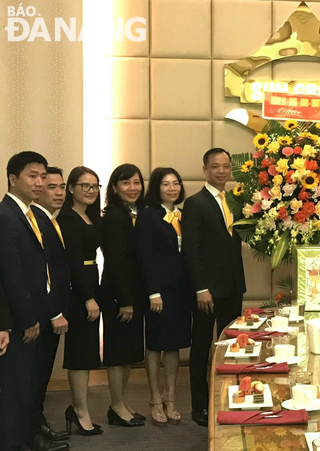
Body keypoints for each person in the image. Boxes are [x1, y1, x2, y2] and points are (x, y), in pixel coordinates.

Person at [0, 152, 68, 451]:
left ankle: (25, 437)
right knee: (15, 391)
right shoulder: (6, 216)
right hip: (17, 320)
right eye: (32, 176)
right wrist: (27, 319)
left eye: (43, 176)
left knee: (27, 388)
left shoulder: (28, 213)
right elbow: (11, 275)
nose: (40, 182)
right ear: (13, 179)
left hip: (33, 314)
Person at [182, 148, 246, 427]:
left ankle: (230, 398)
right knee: (201, 348)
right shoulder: (195, 202)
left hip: (233, 285)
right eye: (215, 166)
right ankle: (199, 406)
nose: (221, 171)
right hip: (207, 290)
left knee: (233, 347)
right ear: (205, 169)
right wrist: (200, 288)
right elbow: (191, 250)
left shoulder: (235, 200)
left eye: (225, 166)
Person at [135, 168, 192, 427]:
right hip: (159, 290)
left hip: (181, 290)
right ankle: (155, 399)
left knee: (174, 345)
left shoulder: (183, 214)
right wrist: (153, 292)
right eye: (166, 184)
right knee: (156, 344)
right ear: (156, 187)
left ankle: (171, 399)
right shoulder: (148, 216)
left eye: (176, 183)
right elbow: (144, 256)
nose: (172, 188)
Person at [57, 166, 104, 436]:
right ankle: (79, 410)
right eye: (84, 185)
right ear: (71, 188)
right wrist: (87, 297)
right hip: (79, 290)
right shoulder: (69, 218)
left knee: (86, 351)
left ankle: (80, 407)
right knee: (79, 351)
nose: (90, 191)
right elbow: (73, 261)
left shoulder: (88, 216)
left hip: (90, 281)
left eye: (95, 186)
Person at [99, 164, 146, 427]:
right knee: (118, 352)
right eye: (126, 183)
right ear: (115, 187)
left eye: (137, 182)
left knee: (128, 352)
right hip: (119, 293)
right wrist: (124, 300)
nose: (132, 188)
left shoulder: (133, 213)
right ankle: (116, 407)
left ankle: (122, 403)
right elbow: (115, 261)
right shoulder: (115, 216)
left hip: (132, 292)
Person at [30, 167, 71, 444]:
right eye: (52, 186)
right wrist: (54, 311)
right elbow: (39, 272)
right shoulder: (37, 222)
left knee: (41, 375)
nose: (59, 192)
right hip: (42, 314)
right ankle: (32, 429)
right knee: (35, 376)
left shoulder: (51, 221)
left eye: (62, 187)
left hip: (51, 311)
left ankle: (37, 423)